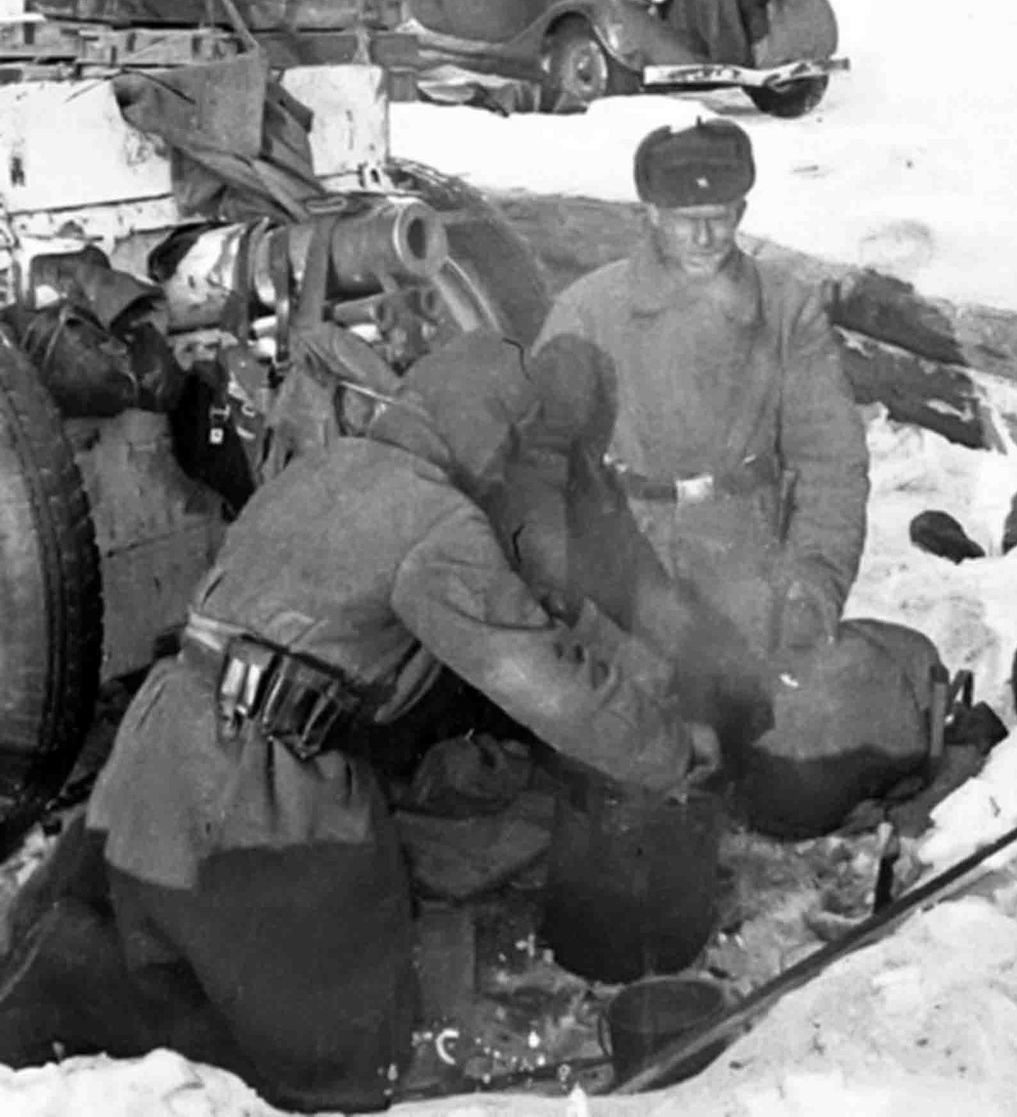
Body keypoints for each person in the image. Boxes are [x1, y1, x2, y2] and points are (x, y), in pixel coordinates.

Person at [0, 332, 718, 1113]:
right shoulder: (437, 523)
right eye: (509, 443)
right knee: (340, 1045)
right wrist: (669, 750)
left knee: (136, 959)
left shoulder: (325, 466)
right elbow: (545, 682)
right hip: (256, 780)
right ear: (482, 429)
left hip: (159, 738)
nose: (506, 468)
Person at [536, 120, 870, 659]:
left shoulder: (786, 309)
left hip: (747, 562)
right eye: (686, 220)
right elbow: (540, 463)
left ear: (741, 211)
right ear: (652, 213)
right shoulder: (589, 311)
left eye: (719, 217)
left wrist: (814, 580)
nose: (705, 238)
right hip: (625, 560)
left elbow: (831, 460)